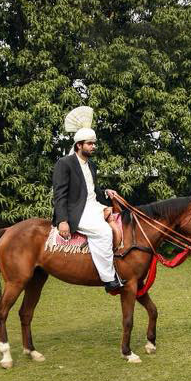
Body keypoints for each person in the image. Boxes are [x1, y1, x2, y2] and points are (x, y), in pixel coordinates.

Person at [52, 106, 123, 292]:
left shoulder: (91, 165)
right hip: (77, 211)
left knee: (123, 220)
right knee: (104, 232)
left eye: (94, 143)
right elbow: (59, 194)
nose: (94, 147)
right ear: (79, 145)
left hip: (94, 206)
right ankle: (109, 279)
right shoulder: (64, 163)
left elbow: (93, 190)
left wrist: (106, 192)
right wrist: (62, 221)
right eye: (90, 144)